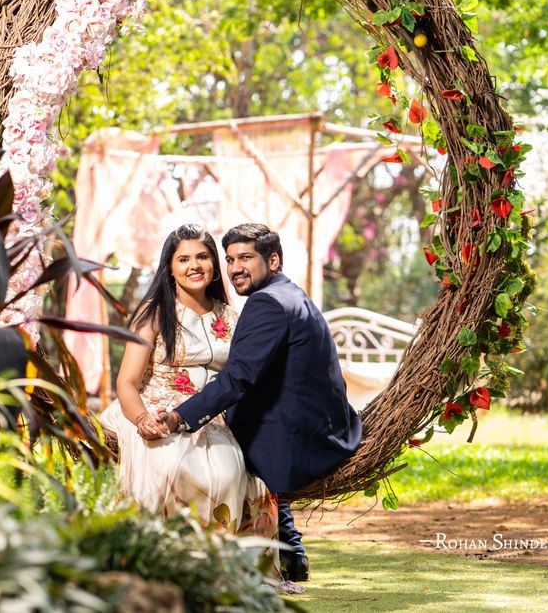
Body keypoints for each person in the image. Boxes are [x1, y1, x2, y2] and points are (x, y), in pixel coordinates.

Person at [153, 223, 363, 583]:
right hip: (327, 424)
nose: (235, 267)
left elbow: (237, 379)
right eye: (231, 259)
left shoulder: (266, 304)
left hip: (296, 436)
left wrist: (178, 417)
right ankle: (291, 548)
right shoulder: (290, 293)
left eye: (246, 258)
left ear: (273, 260)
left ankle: (200, 561)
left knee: (210, 455)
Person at [98, 224, 297, 591]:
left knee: (232, 474)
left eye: (202, 256)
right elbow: (126, 383)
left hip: (210, 415)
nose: (194, 265)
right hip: (152, 410)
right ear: (169, 267)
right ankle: (161, 567)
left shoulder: (230, 314)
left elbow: (243, 376)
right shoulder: (154, 313)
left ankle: (219, 572)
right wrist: (142, 419)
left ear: (214, 264)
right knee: (171, 464)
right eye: (184, 258)